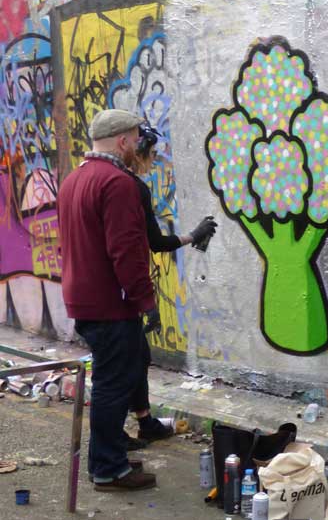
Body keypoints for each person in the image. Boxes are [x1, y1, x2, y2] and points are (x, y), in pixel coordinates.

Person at [58, 109, 159, 491]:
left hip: (84, 298)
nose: (138, 146)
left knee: (113, 380)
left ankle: (111, 453)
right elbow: (126, 251)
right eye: (135, 139)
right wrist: (145, 300)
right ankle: (108, 468)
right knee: (113, 386)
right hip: (111, 304)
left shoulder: (74, 180)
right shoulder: (118, 184)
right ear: (122, 141)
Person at [124, 123, 217, 446]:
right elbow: (152, 243)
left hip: (111, 291)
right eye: (150, 154)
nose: (153, 161)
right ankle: (109, 446)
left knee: (137, 356)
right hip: (123, 294)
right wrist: (146, 302)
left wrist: (192, 235)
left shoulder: (110, 182)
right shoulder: (131, 187)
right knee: (123, 367)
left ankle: (143, 421)